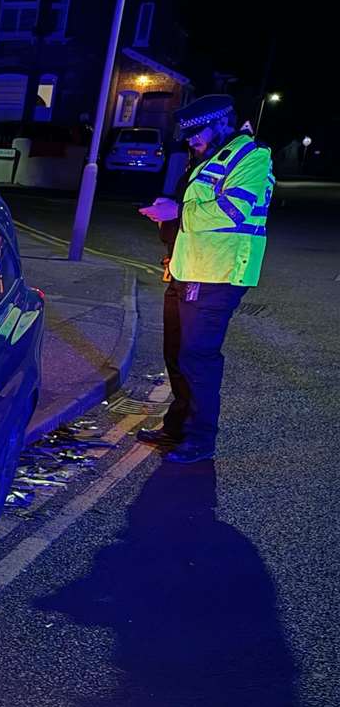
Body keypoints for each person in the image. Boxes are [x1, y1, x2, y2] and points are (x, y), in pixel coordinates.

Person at [136, 95, 274, 463]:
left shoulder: (253, 156)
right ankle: (177, 428)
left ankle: (201, 440)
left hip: (219, 275)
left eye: (197, 132)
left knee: (198, 356)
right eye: (188, 134)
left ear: (222, 124)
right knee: (176, 354)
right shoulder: (210, 159)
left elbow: (233, 209)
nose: (191, 140)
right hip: (187, 270)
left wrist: (177, 209)